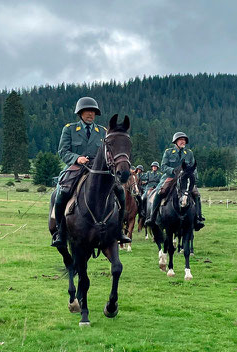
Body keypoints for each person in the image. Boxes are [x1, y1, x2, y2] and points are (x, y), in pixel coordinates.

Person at [51, 96, 131, 247]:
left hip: (98, 170)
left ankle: (119, 230)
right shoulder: (70, 129)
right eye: (87, 111)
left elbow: (109, 152)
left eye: (93, 112)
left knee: (120, 191)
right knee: (61, 193)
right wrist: (77, 158)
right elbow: (62, 151)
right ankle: (60, 232)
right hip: (76, 167)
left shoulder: (103, 131)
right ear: (80, 113)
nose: (90, 114)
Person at [145, 132, 205, 230]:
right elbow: (163, 166)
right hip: (170, 177)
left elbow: (194, 167)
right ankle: (152, 217)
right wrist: (172, 170)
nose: (183, 141)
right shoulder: (168, 152)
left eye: (184, 140)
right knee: (160, 192)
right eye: (181, 139)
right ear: (175, 141)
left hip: (185, 179)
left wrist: (194, 177)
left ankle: (198, 218)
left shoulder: (189, 153)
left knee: (196, 194)